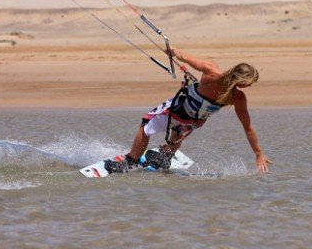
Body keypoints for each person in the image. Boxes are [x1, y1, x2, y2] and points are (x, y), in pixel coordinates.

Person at [107, 47, 272, 174]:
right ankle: (165, 156)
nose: (250, 86)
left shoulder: (210, 70)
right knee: (177, 133)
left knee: (146, 124)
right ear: (242, 81)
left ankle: (131, 160)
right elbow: (248, 126)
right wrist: (259, 153)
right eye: (250, 83)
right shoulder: (238, 97)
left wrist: (172, 51)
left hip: (178, 109)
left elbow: (183, 56)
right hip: (194, 122)